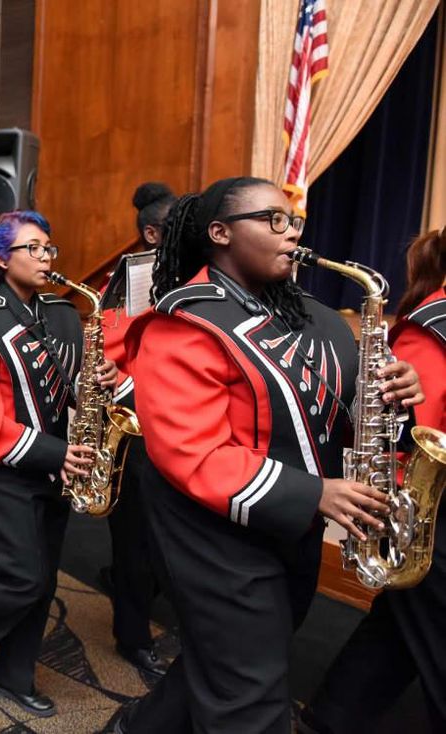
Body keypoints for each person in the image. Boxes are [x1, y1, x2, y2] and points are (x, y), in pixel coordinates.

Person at [113, 177, 423, 734]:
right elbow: (194, 453)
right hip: (212, 534)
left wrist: (395, 396)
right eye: (273, 220)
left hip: (292, 530)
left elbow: (349, 421)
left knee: (240, 658)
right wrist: (315, 493)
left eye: (295, 222)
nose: (292, 234)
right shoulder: (185, 323)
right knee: (251, 696)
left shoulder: (320, 318)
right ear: (220, 233)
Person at [0, 210, 117, 718]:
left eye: (49, 248)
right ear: (0, 259)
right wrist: (57, 452)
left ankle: (14, 674)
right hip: (4, 469)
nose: (46, 258)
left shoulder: (64, 313)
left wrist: (102, 377)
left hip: (59, 465)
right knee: (21, 575)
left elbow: (72, 383)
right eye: (32, 249)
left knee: (43, 580)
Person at [299, 228, 445, 733]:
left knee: (402, 628)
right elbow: (407, 431)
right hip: (430, 507)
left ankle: (330, 717)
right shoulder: (435, 325)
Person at [99, 182, 177, 678]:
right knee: (135, 542)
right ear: (152, 233)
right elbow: (111, 360)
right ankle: (131, 636)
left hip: (182, 433)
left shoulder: (193, 278)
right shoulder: (125, 281)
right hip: (136, 433)